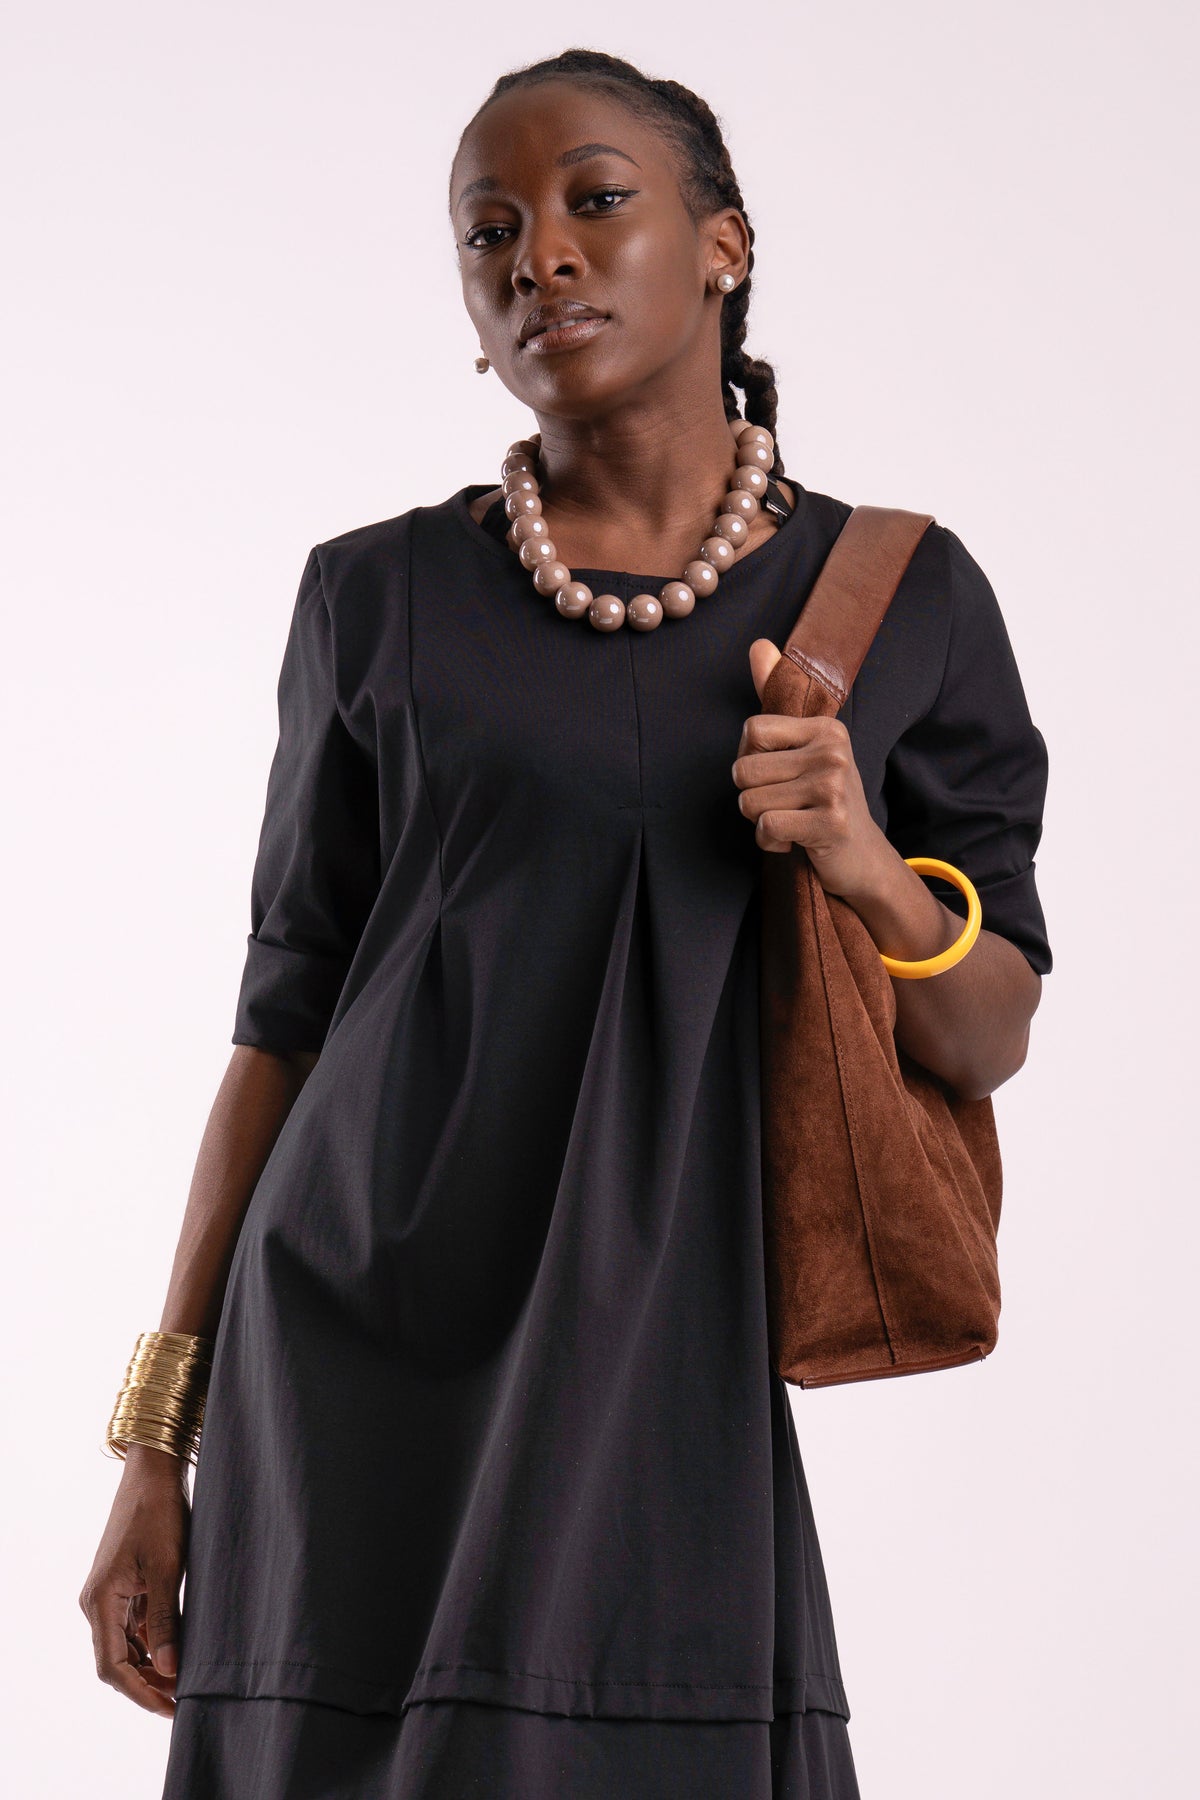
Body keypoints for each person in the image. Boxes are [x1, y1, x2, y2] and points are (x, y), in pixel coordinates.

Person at [78, 47, 1052, 1800]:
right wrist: (158, 1442)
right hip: (348, 1356)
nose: (541, 257)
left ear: (726, 245)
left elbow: (988, 1031)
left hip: (665, 1377)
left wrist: (864, 863)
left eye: (597, 201)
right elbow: (283, 1025)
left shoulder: (903, 593)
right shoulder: (371, 592)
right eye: (491, 232)